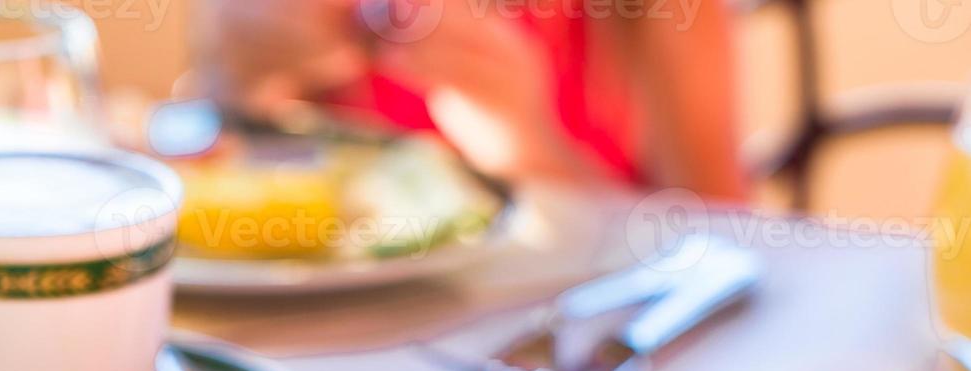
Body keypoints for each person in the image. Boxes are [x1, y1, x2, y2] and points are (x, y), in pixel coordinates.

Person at [201, 0, 748, 199]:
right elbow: (212, 159)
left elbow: (723, 249)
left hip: (579, 365)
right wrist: (241, 77)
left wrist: (525, 149)